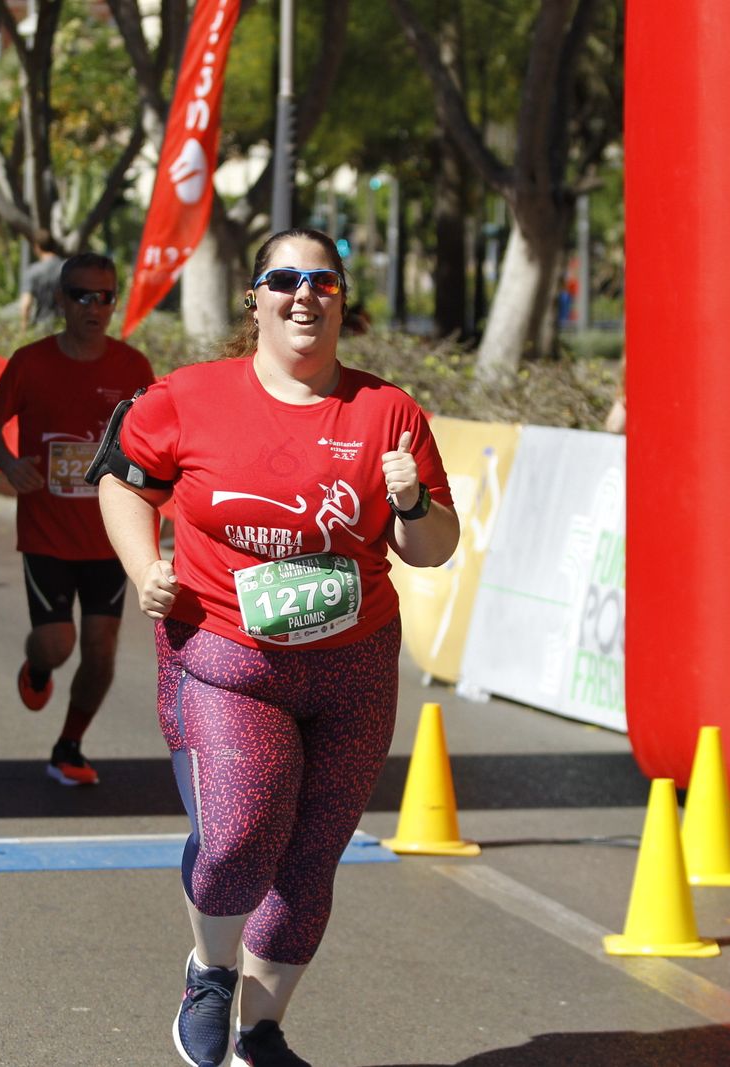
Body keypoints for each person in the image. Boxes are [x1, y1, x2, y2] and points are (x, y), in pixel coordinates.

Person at [95, 229, 459, 1067]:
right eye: (284, 279)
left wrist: (410, 504)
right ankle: (209, 970)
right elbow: (120, 479)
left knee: (310, 857)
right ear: (254, 299)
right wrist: (144, 563)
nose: (305, 295)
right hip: (224, 655)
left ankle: (259, 1032)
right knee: (243, 827)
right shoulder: (187, 396)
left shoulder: (389, 412)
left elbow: (434, 547)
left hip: (353, 667)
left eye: (322, 280)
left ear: (341, 299)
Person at [0, 252, 154, 787]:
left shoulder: (131, 367)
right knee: (58, 645)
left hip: (109, 536)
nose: (94, 307)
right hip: (47, 534)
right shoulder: (31, 363)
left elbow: (153, 437)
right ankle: (37, 667)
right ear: (60, 300)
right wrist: (9, 466)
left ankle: (69, 744)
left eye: (105, 297)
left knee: (100, 651)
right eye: (82, 295)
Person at [17, 244, 63, 332]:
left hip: (41, 328)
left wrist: (23, 330)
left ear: (37, 248)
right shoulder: (68, 268)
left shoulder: (32, 271)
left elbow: (26, 304)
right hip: (63, 327)